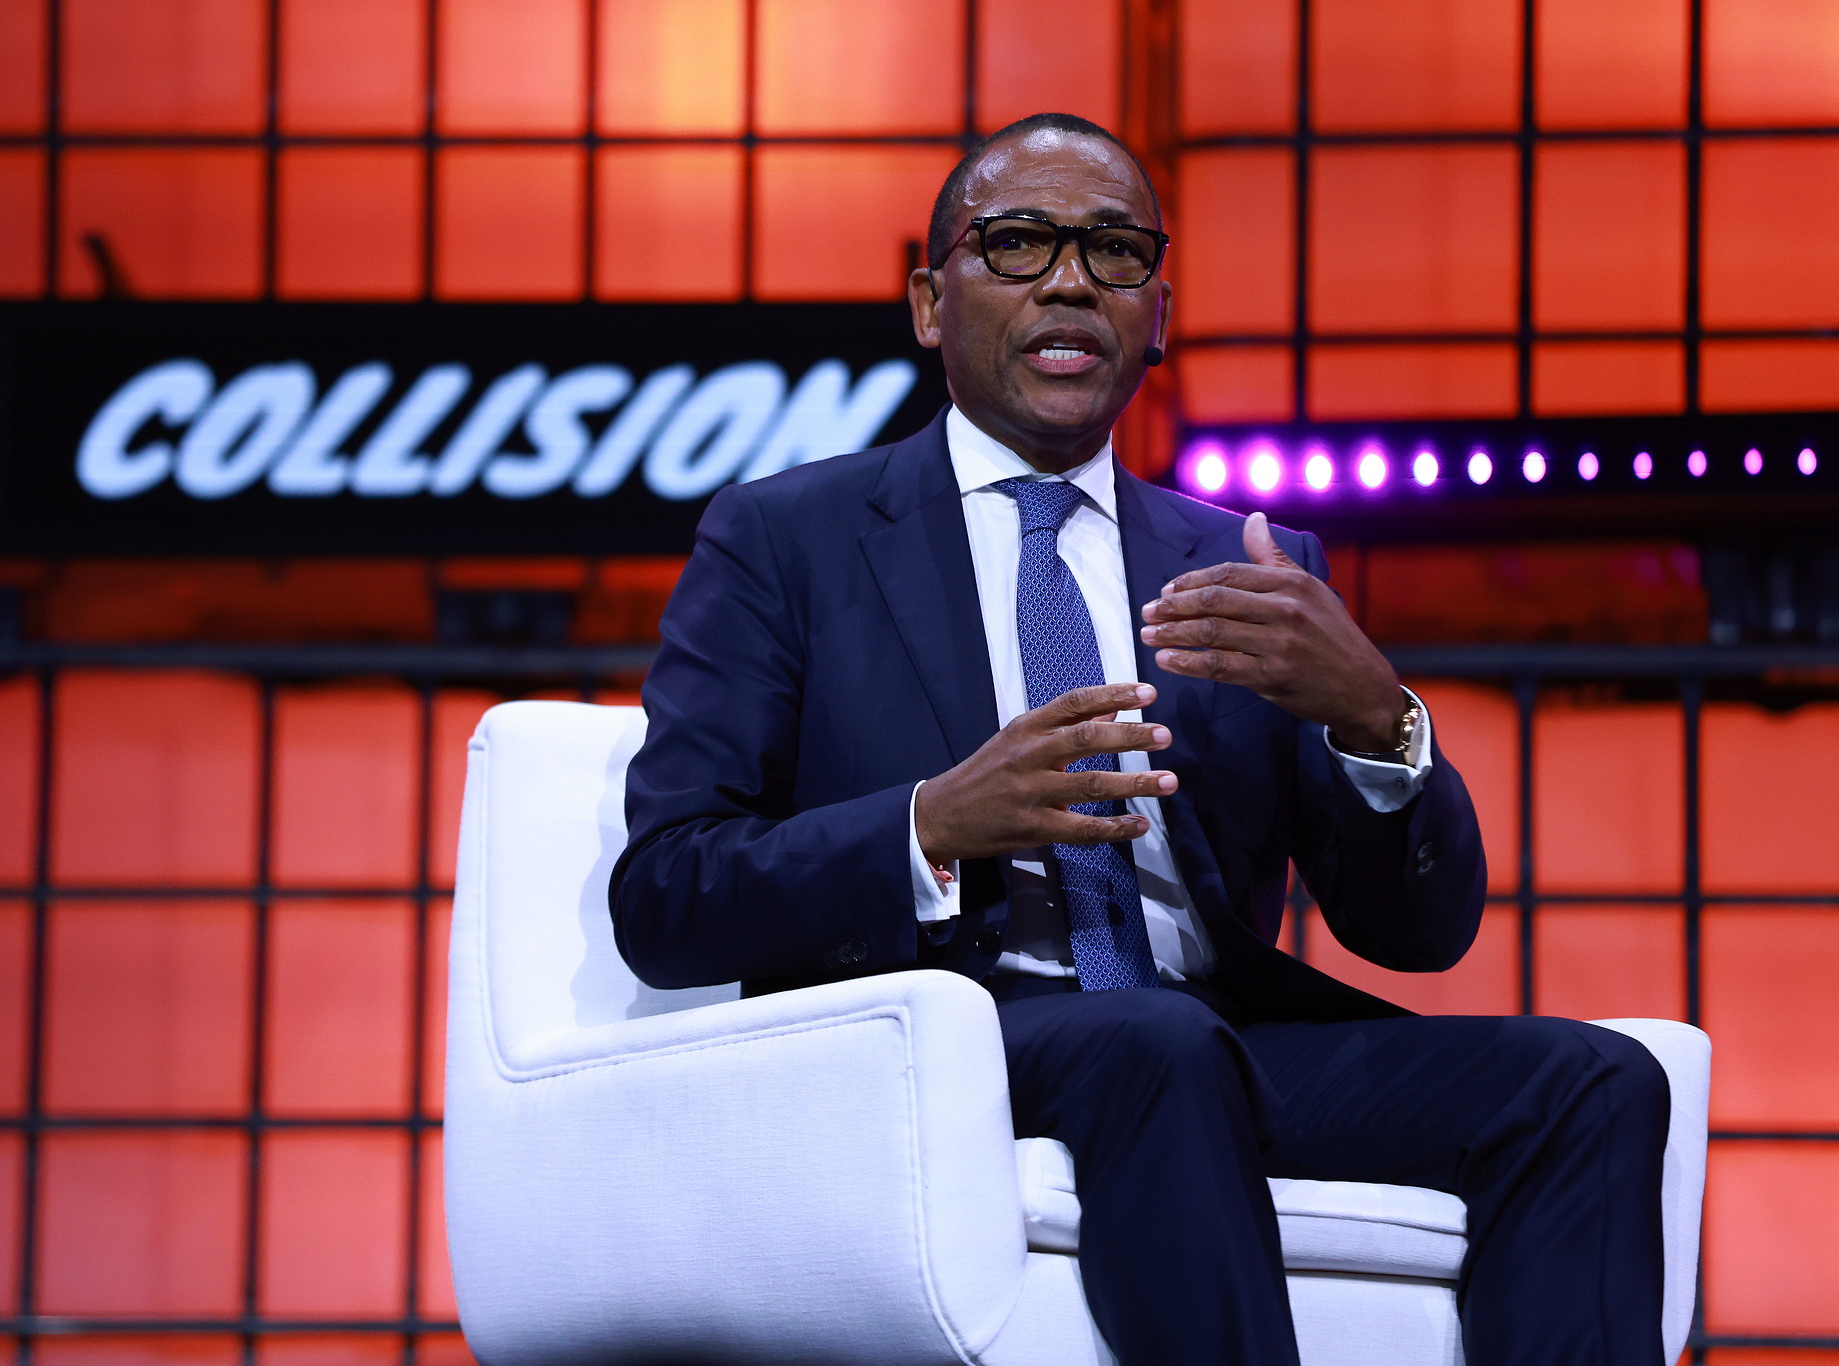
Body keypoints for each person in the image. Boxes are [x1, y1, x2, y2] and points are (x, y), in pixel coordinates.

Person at [610, 112, 1671, 1366]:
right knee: (1155, 1046)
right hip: (933, 1039)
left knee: (1593, 1081)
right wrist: (931, 824)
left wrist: (1373, 715)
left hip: (1203, 1037)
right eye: (1016, 243)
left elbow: (1416, 936)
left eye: (1113, 251)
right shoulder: (785, 539)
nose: (1069, 278)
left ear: (1156, 316)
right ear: (927, 302)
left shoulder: (1247, 563)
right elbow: (668, 892)